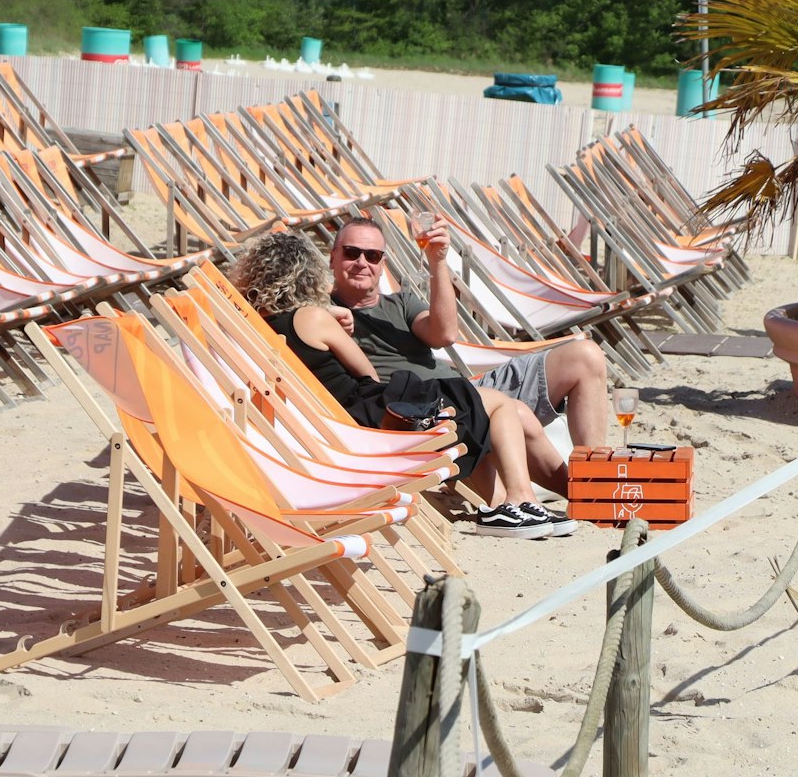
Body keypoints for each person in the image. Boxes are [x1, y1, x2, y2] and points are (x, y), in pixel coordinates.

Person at [231, 230, 573, 539]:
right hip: (373, 421)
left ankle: (505, 504)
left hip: (336, 428)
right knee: (497, 402)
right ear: (309, 273)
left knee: (473, 405)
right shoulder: (315, 317)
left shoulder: (260, 328)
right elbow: (366, 374)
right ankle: (519, 500)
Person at [327, 213, 613, 450]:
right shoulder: (321, 316)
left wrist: (438, 261)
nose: (362, 262)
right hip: (433, 410)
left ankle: (594, 478)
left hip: (466, 390)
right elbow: (290, 319)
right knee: (516, 412)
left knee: (586, 355)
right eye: (352, 253)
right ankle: (585, 494)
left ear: (382, 264)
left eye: (373, 255)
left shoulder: (400, 303)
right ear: (332, 258)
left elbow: (445, 334)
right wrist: (326, 313)